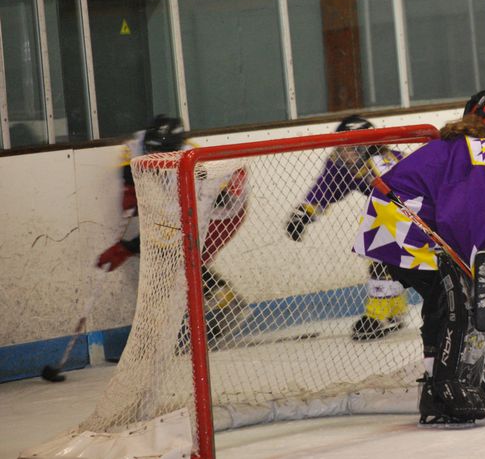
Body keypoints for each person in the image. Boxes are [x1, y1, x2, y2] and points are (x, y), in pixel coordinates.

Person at [352, 87, 485, 427]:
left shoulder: (465, 145)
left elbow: (469, 215)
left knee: (444, 302)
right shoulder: (481, 149)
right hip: (406, 225)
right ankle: (446, 387)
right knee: (454, 300)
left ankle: (455, 377)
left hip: (393, 223)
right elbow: (463, 216)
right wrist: (483, 275)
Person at [97, 115, 249, 348]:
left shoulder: (192, 172)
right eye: (151, 152)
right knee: (178, 258)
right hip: (201, 201)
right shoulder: (142, 143)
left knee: (185, 259)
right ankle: (204, 312)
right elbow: (130, 157)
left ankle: (227, 307)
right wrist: (130, 189)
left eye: (161, 156)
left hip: (226, 208)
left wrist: (127, 247)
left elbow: (176, 229)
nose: (155, 159)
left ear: (176, 150)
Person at [284, 115, 410, 341]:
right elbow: (325, 189)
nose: (346, 152)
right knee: (381, 256)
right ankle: (393, 312)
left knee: (381, 254)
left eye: (353, 147)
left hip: (424, 213)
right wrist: (304, 213)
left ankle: (379, 315)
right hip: (398, 214)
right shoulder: (347, 163)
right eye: (344, 146)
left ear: (369, 146)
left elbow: (405, 201)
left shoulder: (387, 162)